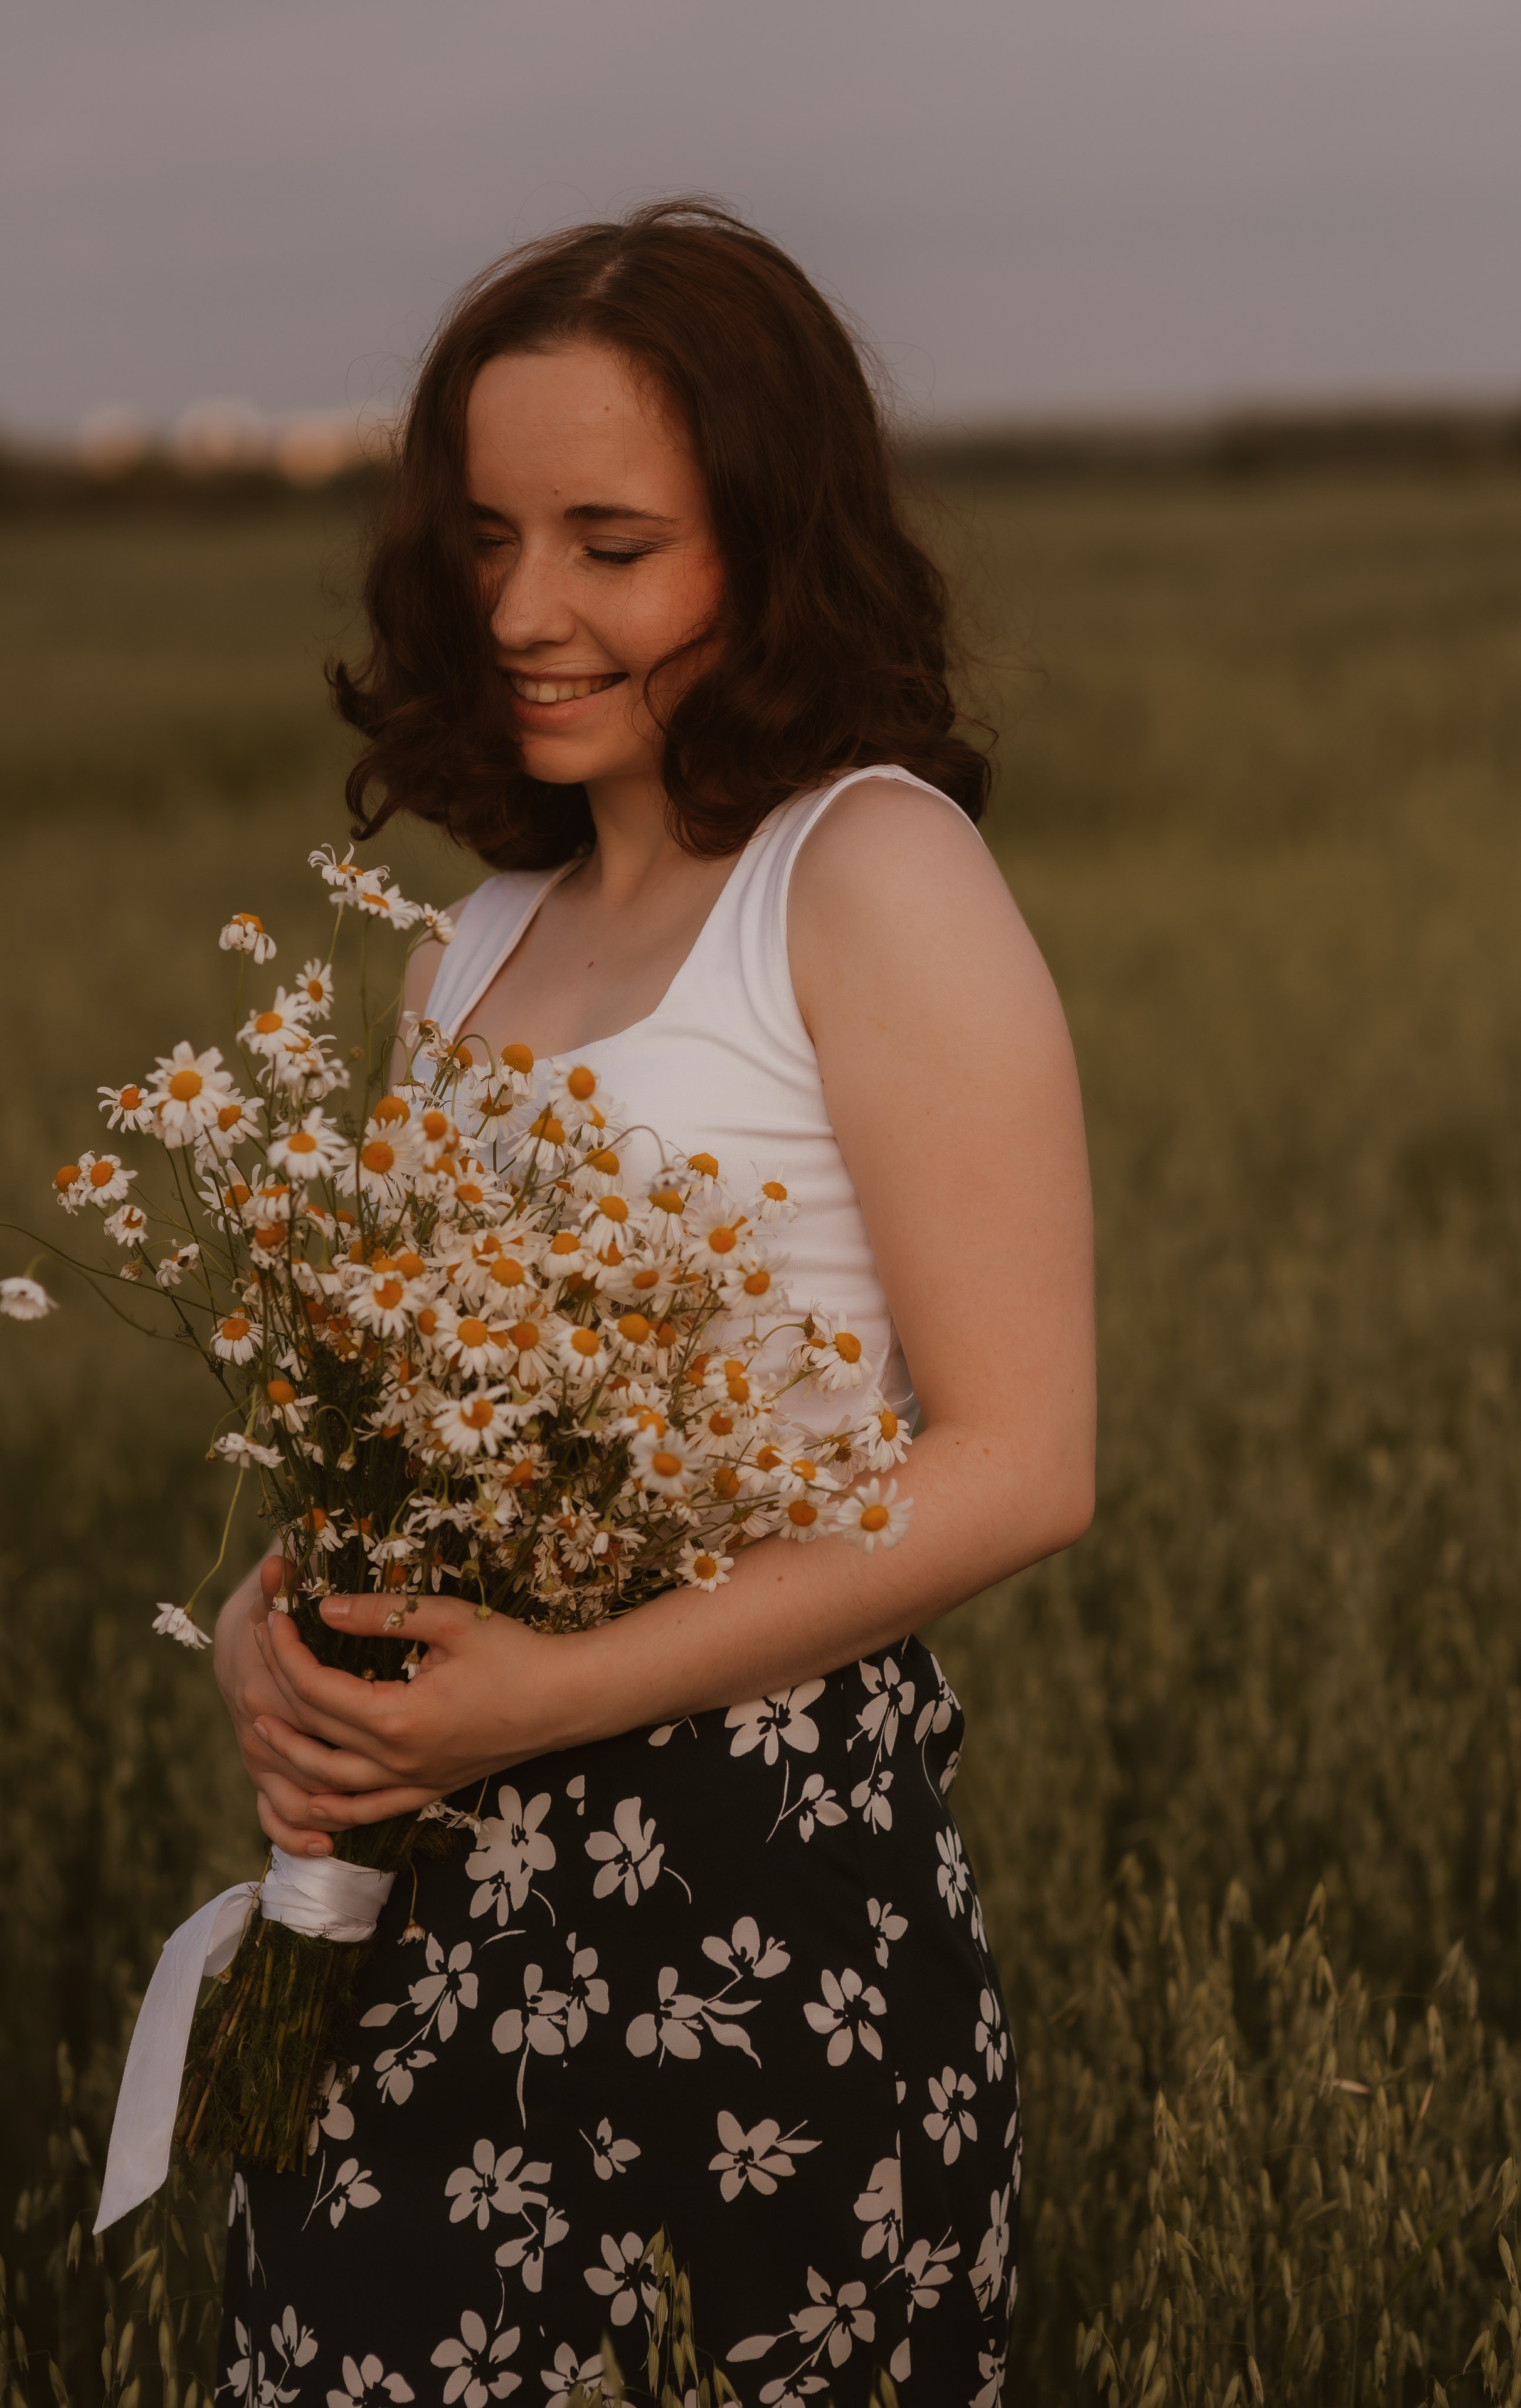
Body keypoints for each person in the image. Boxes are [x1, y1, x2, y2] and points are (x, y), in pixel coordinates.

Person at [211, 199, 1094, 2406]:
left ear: (773, 550)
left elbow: (1020, 1464)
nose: (527, 608)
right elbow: (424, 1434)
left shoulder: (867, 869)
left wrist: (555, 1692)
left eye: (613, 542)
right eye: (489, 534)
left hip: (767, 1891)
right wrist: (282, 1615)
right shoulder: (474, 939)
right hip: (431, 1892)